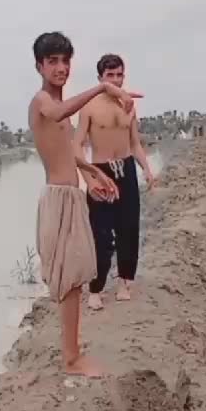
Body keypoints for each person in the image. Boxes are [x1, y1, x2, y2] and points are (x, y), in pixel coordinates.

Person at [29, 32, 142, 378]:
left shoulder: (60, 109)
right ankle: (71, 359)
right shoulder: (43, 102)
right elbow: (59, 111)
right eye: (52, 61)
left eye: (65, 61)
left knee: (75, 277)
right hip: (58, 198)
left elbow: (70, 154)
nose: (60, 68)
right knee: (69, 280)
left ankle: (72, 354)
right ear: (39, 66)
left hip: (72, 195)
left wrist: (93, 174)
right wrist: (103, 89)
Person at [73, 53, 154, 311]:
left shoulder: (128, 105)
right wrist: (89, 179)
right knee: (100, 234)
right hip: (101, 171)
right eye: (110, 75)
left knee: (128, 229)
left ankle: (124, 283)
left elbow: (135, 143)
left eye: (120, 75)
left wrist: (146, 169)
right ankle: (96, 289)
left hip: (126, 170)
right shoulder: (89, 107)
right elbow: (77, 146)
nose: (116, 80)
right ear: (100, 78)